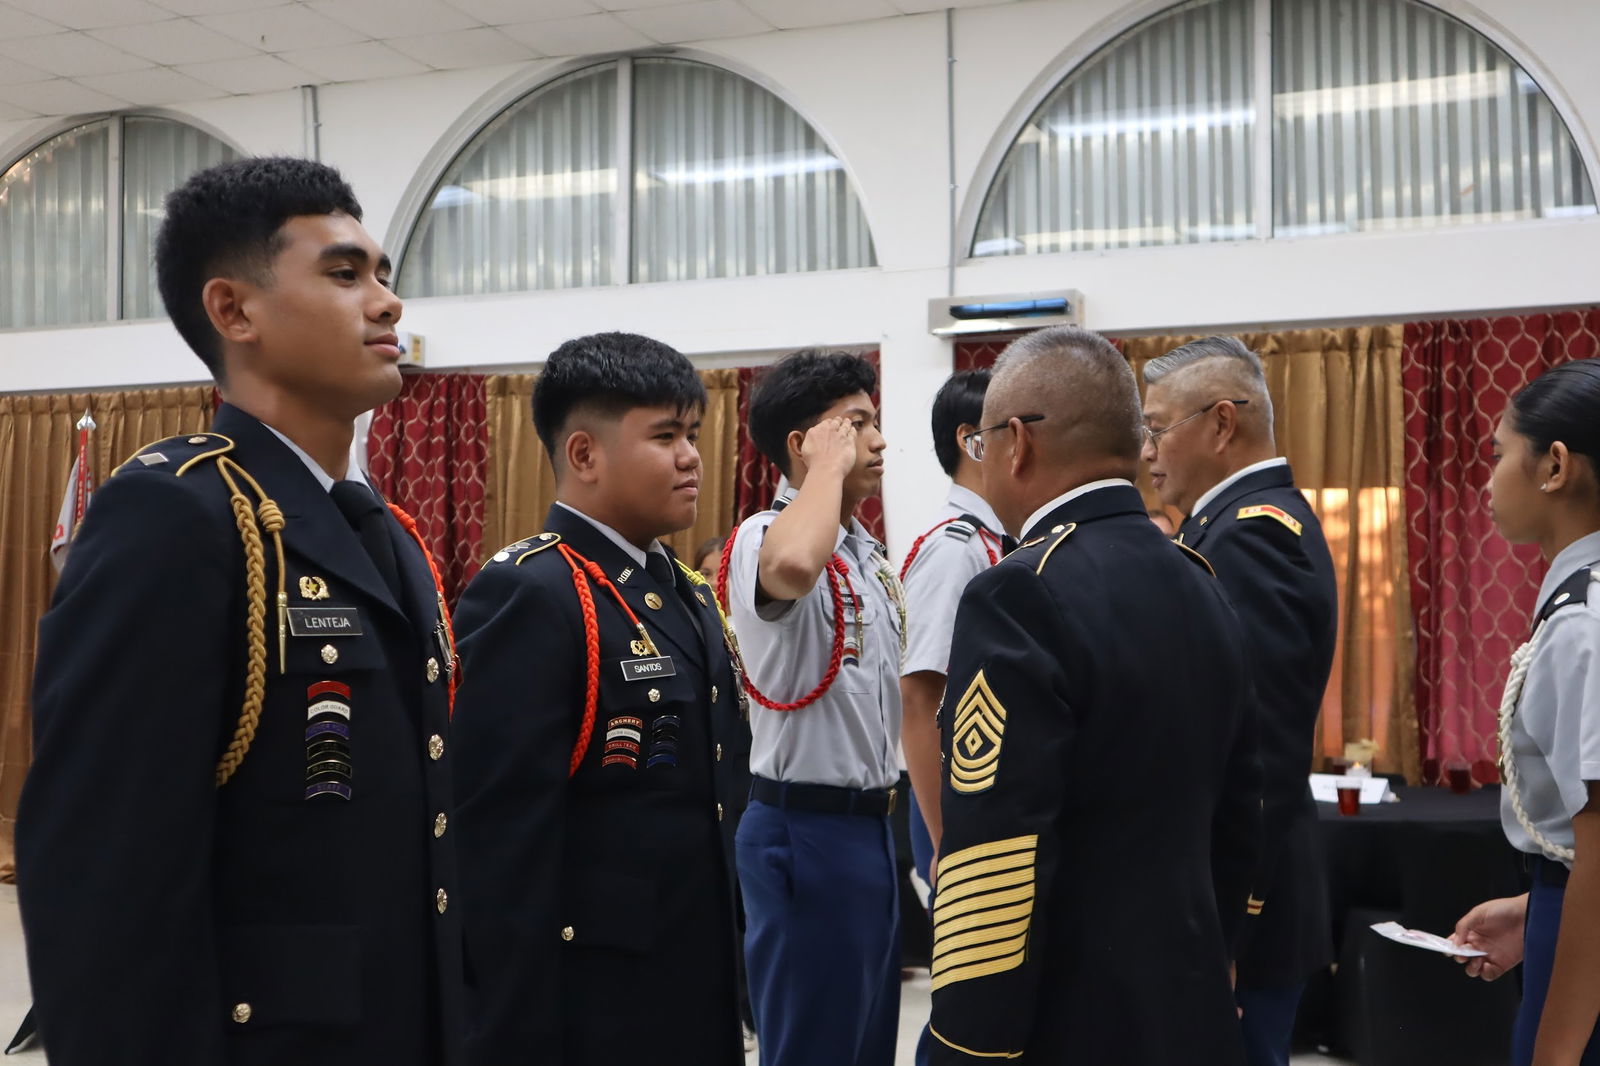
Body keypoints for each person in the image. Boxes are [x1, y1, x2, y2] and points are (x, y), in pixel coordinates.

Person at [15, 157, 464, 1066]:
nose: (386, 304)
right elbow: (103, 877)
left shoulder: (383, 530)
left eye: (383, 275)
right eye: (344, 274)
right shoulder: (176, 515)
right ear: (234, 311)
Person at [927, 325, 1258, 1065]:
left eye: (982, 447)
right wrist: (1225, 952)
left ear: (1017, 442)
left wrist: (965, 1044)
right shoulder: (1199, 580)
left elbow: (997, 849)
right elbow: (1244, 811)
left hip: (1070, 1019)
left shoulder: (1019, 592)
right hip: (1191, 1004)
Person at [450, 332, 748, 1066]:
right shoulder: (535, 591)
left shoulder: (683, 592)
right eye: (665, 436)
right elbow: (498, 844)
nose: (690, 457)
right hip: (590, 1003)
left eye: (693, 435)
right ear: (583, 454)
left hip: (688, 976)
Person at [1141, 335, 1336, 1066]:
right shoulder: (1226, 526)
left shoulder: (1253, 538)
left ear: (1222, 423)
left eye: (1159, 427)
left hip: (1244, 915)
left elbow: (1259, 753)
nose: (1148, 449)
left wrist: (1225, 929)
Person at [720, 349, 902, 1066]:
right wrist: (823, 468)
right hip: (804, 827)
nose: (878, 440)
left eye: (875, 421)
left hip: (870, 831)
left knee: (864, 1044)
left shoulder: (865, 553)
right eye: (856, 424)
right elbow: (794, 570)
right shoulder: (764, 537)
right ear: (802, 445)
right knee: (813, 1047)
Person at [1451, 358, 1600, 1066]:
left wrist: (1557, 1051)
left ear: (1555, 467)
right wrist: (1534, 910)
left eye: (1499, 453)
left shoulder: (1585, 625)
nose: (1487, 478)